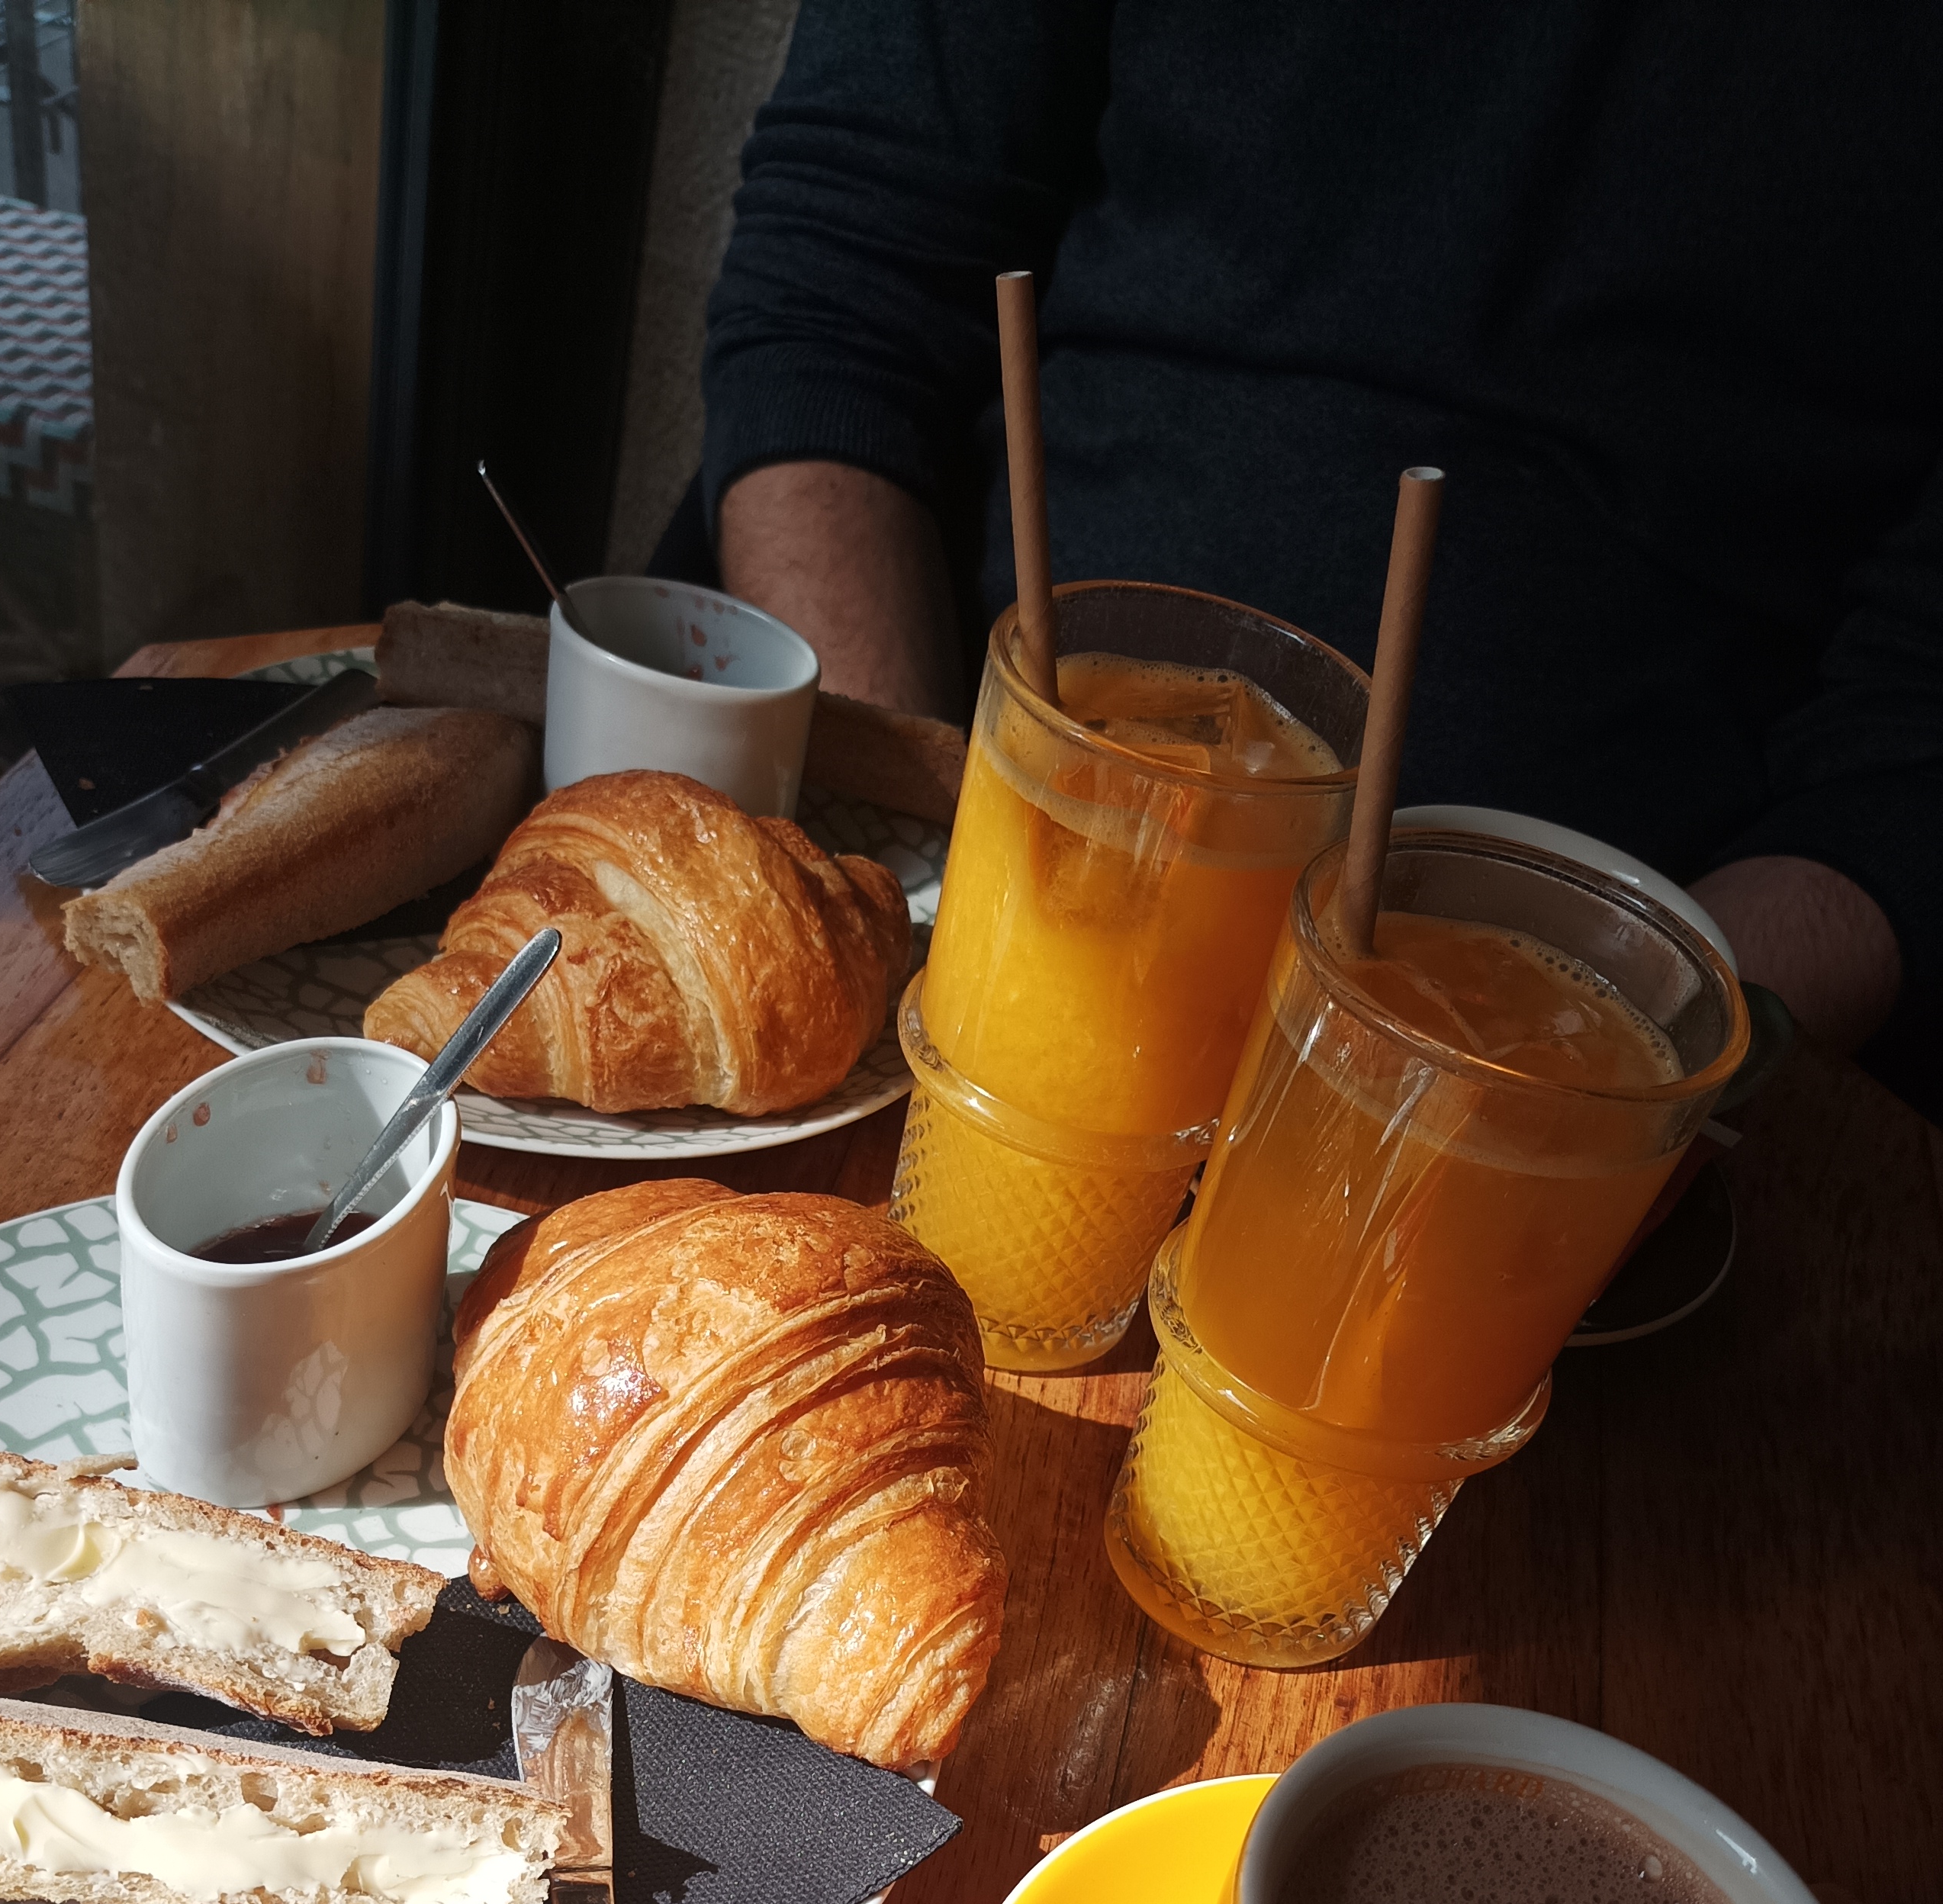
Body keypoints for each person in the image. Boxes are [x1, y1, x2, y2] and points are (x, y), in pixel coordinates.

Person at [692, 1, 1941, 1099]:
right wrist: (923, 884)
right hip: (962, 830)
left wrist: (1630, 1078)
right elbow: (839, 293)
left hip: (1608, 1024)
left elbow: (1911, 743)